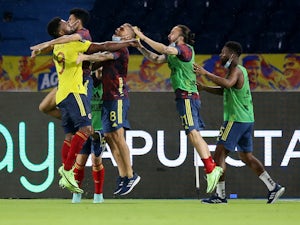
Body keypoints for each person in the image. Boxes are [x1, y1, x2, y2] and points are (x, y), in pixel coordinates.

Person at [45, 17, 138, 194]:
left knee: (73, 135)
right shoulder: (74, 44)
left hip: (63, 94)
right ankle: (67, 171)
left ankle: (115, 179)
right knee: (88, 131)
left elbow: (102, 56)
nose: (69, 24)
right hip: (75, 92)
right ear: (61, 32)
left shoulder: (58, 47)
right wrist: (87, 55)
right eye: (66, 23)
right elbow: (104, 47)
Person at [132, 25, 223, 194]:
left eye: (172, 32)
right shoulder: (174, 51)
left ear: (181, 36)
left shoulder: (185, 49)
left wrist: (143, 37)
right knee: (194, 134)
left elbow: (165, 49)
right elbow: (157, 59)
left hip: (187, 95)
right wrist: (140, 47)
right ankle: (211, 168)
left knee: (193, 133)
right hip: (185, 97)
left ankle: (211, 169)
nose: (169, 34)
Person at [193, 41, 285, 204]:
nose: (221, 55)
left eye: (223, 52)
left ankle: (220, 196)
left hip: (235, 119)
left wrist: (204, 72)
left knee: (219, 154)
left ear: (232, 55)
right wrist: (204, 88)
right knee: (246, 156)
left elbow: (227, 84)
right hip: (246, 120)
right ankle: (273, 187)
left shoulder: (236, 70)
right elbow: (225, 89)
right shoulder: (236, 71)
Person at [76, 23, 141, 196]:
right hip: (108, 98)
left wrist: (84, 57)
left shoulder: (122, 49)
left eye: (123, 29)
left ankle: (131, 175)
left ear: (128, 37)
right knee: (110, 138)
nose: (118, 28)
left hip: (117, 98)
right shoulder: (117, 47)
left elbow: (103, 56)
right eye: (118, 27)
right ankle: (122, 175)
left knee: (118, 137)